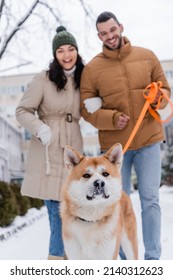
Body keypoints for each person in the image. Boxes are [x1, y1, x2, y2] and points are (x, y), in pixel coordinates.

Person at [80, 11, 171, 260]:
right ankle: (125, 260)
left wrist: (158, 96)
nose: (110, 36)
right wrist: (111, 119)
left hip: (149, 142)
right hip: (114, 150)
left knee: (150, 199)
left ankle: (152, 259)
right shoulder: (93, 69)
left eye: (112, 30)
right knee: (115, 204)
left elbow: (165, 89)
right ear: (98, 35)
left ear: (120, 27)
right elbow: (86, 110)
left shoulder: (147, 56)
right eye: (104, 33)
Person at [16, 26, 101, 260]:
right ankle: (56, 261)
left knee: (73, 212)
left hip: (73, 146)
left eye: (71, 49)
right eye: (61, 50)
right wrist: (40, 128)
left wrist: (96, 103)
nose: (66, 55)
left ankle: (67, 261)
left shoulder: (84, 78)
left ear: (77, 51)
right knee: (57, 212)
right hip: (48, 146)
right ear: (55, 54)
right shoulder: (43, 79)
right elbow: (22, 110)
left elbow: (87, 107)